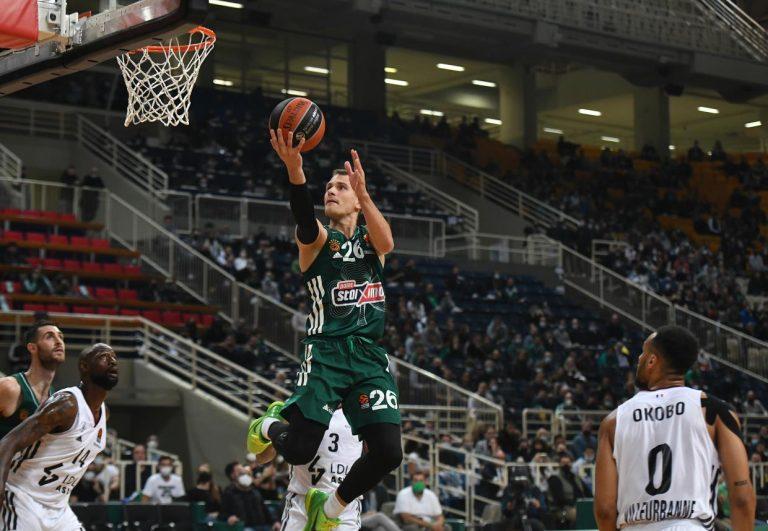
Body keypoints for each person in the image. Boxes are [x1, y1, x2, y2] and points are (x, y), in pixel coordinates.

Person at [247, 131, 402, 530]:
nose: (331, 190)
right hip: (327, 351)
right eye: (328, 186)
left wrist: (365, 195)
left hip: (367, 355)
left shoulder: (372, 242)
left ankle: (330, 511)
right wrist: (295, 171)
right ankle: (268, 423)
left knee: (389, 452)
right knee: (299, 450)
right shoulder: (318, 241)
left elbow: (388, 241)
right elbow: (303, 216)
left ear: (357, 198)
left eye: (341, 187)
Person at [594, 325, 756, 530]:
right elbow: (741, 498)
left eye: (643, 353)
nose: (639, 358)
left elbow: (605, 510)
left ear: (652, 361)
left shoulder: (613, 421)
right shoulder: (714, 411)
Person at [0, 343, 118, 530]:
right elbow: (8, 442)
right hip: (22, 497)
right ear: (84, 366)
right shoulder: (66, 405)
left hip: (58, 507)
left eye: (114, 357)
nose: (112, 361)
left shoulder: (104, 413)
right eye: (104, 356)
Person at [257, 408, 365, 530]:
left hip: (344, 505)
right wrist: (270, 430)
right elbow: (262, 458)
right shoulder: (303, 406)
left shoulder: (359, 411)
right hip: (303, 501)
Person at [0, 320, 65, 439]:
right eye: (49, 337)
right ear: (32, 348)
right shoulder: (10, 387)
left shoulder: (54, 397)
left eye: (60, 337)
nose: (58, 342)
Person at [220, 461, 275, 531]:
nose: (245, 475)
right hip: (245, 527)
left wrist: (275, 522)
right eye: (241, 472)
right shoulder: (229, 494)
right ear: (233, 476)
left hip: (263, 526)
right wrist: (229, 518)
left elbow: (265, 510)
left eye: (246, 473)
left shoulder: (255, 492)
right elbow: (222, 515)